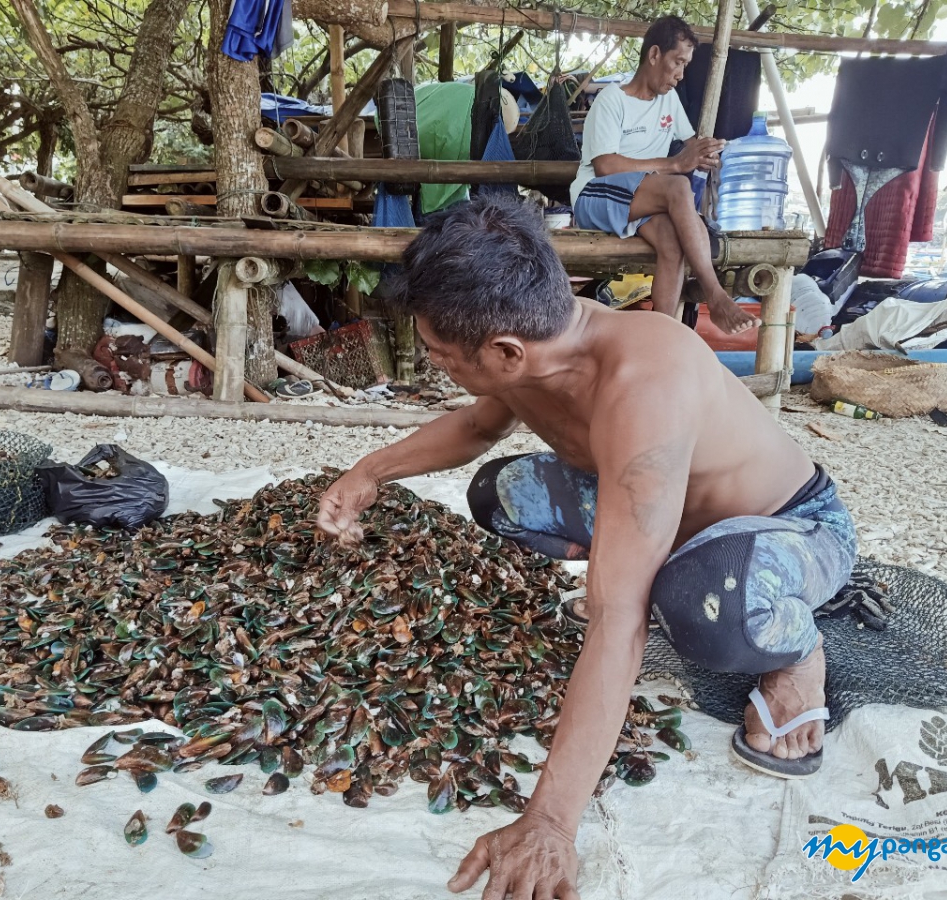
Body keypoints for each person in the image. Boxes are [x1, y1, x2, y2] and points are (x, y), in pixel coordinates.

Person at [315, 197, 857, 899]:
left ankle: (797, 652)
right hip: (662, 512)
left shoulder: (642, 382)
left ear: (505, 352)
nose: (435, 362)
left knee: (698, 604)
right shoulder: (535, 353)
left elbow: (615, 619)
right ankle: (652, 559)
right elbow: (479, 428)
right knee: (500, 494)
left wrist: (549, 821)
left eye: (442, 355)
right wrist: (369, 472)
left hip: (791, 526)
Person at [570, 15, 759, 336]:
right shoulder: (612, 100)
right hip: (594, 197)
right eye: (677, 62)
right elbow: (604, 167)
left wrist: (706, 152)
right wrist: (675, 165)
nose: (681, 74)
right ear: (654, 55)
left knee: (672, 243)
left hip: (639, 204)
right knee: (676, 186)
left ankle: (663, 339)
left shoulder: (668, 100)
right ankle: (715, 295)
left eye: (686, 65)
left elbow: (689, 144)